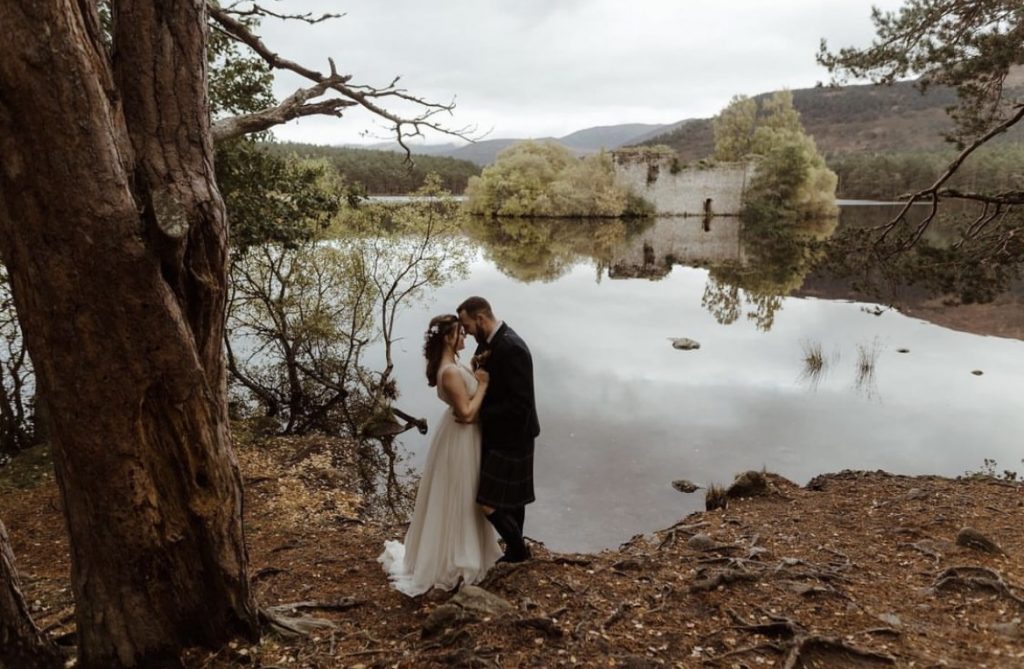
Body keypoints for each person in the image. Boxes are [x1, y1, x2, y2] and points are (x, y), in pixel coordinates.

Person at [378, 314, 502, 596]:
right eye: (460, 333)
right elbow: (467, 414)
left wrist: (475, 367)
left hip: (461, 437)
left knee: (462, 494)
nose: (465, 337)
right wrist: (482, 384)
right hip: (461, 439)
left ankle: (464, 550)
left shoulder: (453, 366)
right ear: (448, 337)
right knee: (461, 494)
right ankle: (457, 559)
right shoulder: (448, 372)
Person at [457, 297, 540, 563]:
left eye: (467, 325)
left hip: (514, 436)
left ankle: (518, 551)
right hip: (499, 434)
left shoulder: (512, 347)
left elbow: (521, 404)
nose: (467, 332)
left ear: (481, 319)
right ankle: (516, 551)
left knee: (489, 501)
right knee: (513, 501)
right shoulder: (488, 343)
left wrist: (480, 414)